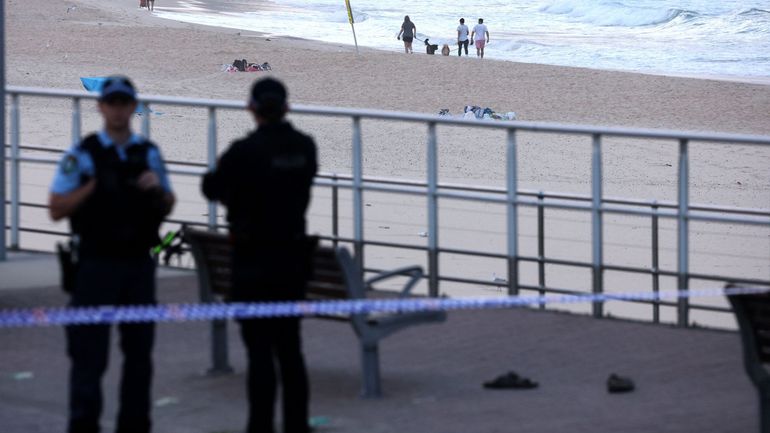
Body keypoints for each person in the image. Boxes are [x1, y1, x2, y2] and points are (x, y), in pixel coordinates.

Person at [48, 75, 175, 433]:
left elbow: (167, 204)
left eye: (124, 103)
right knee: (88, 358)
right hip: (94, 264)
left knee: (139, 360)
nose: (118, 110)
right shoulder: (83, 155)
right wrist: (93, 187)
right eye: (112, 103)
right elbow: (57, 208)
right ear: (101, 107)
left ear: (133, 107)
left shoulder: (147, 154)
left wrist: (155, 191)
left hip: (137, 264)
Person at [201, 77, 317, 433]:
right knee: (290, 349)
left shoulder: (242, 152)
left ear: (251, 108)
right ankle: (296, 424)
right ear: (286, 107)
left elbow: (211, 188)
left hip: (251, 260)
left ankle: (260, 425)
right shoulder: (304, 147)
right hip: (291, 260)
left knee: (259, 353)